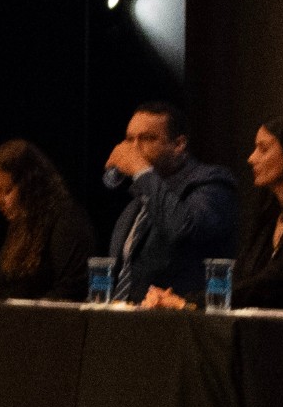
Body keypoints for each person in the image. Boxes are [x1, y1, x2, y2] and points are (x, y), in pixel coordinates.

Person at [149, 113, 283, 313]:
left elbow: (276, 284)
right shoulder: (270, 215)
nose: (251, 158)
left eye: (263, 149)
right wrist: (183, 300)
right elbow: (242, 279)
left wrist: (190, 302)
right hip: (264, 328)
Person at [96, 101, 236, 302]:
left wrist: (141, 171)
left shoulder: (212, 183)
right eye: (129, 139)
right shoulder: (139, 199)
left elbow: (184, 229)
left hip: (178, 316)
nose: (134, 149)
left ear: (178, 145)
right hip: (129, 315)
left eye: (147, 138)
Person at [0, 141, 96, 301]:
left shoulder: (67, 221)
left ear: (30, 185)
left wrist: (22, 311)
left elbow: (70, 291)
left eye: (6, 191)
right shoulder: (21, 224)